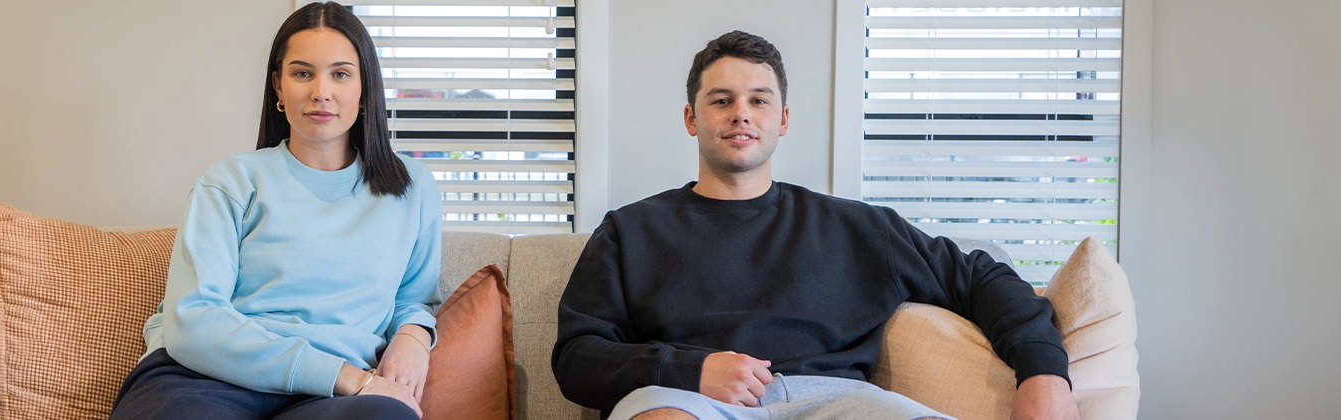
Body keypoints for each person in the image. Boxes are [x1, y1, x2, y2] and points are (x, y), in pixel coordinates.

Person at [550, 30, 1082, 420]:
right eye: (721, 100)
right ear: (692, 118)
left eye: (759, 100)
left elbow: (982, 277)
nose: (741, 113)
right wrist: (686, 370)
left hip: (838, 401)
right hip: (687, 400)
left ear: (782, 119)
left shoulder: (859, 227)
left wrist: (1044, 376)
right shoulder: (629, 231)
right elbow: (576, 357)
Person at [107, 3, 441, 419]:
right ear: (279, 88)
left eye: (340, 74)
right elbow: (193, 320)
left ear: (365, 88)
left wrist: (414, 337)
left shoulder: (412, 187)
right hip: (206, 379)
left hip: (327, 401)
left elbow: (414, 299)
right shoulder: (231, 181)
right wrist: (351, 378)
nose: (321, 91)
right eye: (302, 73)